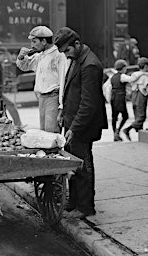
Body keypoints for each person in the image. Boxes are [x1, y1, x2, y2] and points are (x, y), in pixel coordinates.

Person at [54, 27, 107, 219]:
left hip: (83, 125)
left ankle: (85, 207)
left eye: (67, 50)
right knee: (73, 164)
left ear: (77, 44)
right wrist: (63, 113)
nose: (66, 55)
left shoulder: (90, 65)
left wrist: (74, 128)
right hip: (73, 122)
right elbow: (72, 91)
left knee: (83, 165)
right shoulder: (77, 59)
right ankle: (74, 201)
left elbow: (88, 104)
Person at [16, 26, 67, 133]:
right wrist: (21, 57)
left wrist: (61, 105)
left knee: (51, 132)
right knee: (43, 133)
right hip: (42, 98)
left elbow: (63, 80)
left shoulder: (58, 55)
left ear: (44, 41)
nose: (32, 45)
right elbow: (25, 66)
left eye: (34, 42)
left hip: (53, 97)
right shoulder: (40, 56)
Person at [108, 59, 148, 141]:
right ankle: (118, 131)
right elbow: (132, 79)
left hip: (113, 97)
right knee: (125, 116)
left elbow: (107, 87)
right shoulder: (122, 76)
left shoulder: (112, 77)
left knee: (114, 117)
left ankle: (115, 134)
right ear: (123, 68)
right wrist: (142, 73)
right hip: (120, 98)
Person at [122, 57, 148, 141]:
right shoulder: (145, 77)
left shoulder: (134, 75)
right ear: (145, 66)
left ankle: (140, 135)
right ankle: (127, 129)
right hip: (141, 96)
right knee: (141, 117)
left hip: (134, 95)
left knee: (137, 115)